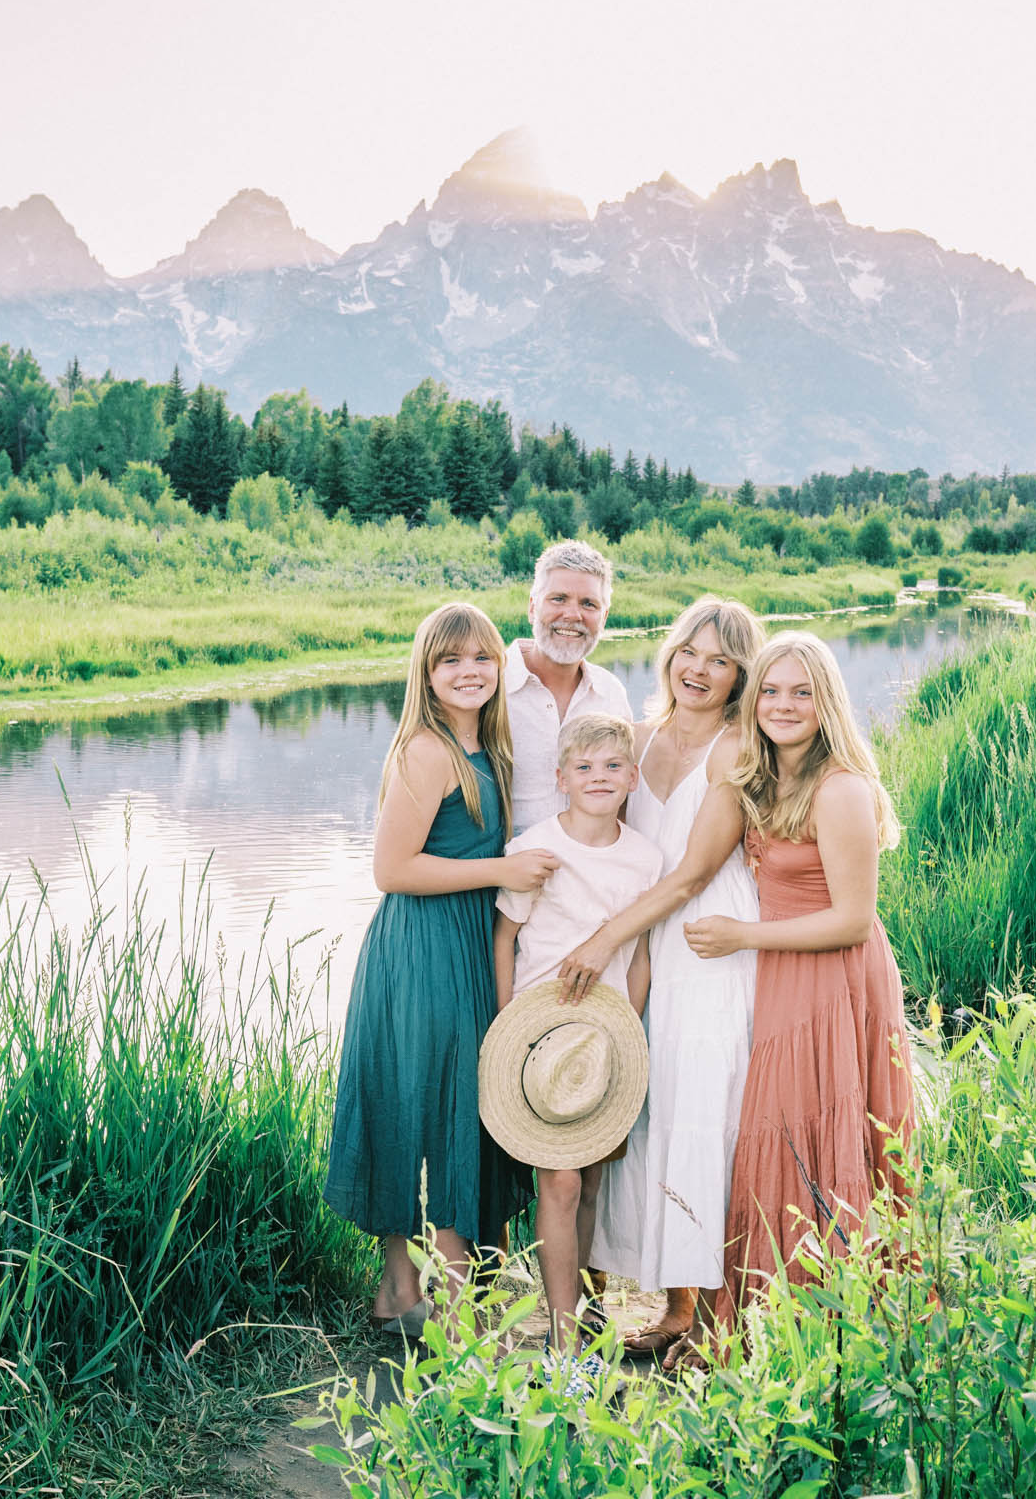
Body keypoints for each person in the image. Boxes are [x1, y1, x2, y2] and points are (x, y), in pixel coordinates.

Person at [323, 601, 560, 1335]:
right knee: (437, 1109)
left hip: (459, 941)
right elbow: (391, 869)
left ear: (501, 667)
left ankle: (399, 1294)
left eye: (482, 657)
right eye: (450, 660)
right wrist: (505, 867)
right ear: (426, 673)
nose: (469, 671)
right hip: (421, 948)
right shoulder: (427, 750)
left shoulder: (488, 749)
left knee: (427, 1103)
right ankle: (457, 1313)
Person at [685, 630, 913, 1327]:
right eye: (771, 691)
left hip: (834, 974)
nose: (783, 706)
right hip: (787, 969)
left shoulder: (841, 787)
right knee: (778, 1127)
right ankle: (775, 1315)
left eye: (802, 693)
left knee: (821, 1129)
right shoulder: (766, 775)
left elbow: (851, 919)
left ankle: (838, 1318)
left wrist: (741, 937)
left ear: (827, 702)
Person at [571, 595, 765, 1365]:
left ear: (738, 675)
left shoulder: (732, 748)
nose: (700, 669)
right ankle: (643, 1300)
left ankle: (702, 1313)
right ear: (670, 653)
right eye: (691, 650)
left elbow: (691, 874)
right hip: (633, 947)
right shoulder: (635, 737)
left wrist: (606, 935)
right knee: (633, 1106)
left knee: (698, 1106)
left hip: (701, 941)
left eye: (720, 660)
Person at [490, 712, 664, 1391]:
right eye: (584, 768)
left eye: (612, 768)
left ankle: (579, 1315)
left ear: (633, 777)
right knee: (558, 1181)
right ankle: (564, 1347)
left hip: (604, 1042)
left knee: (589, 1182)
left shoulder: (644, 858)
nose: (599, 779)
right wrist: (507, 1022)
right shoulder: (537, 848)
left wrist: (631, 1033)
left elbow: (642, 955)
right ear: (559, 778)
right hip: (540, 1040)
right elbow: (506, 937)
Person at [502, 539, 632, 831]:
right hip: (502, 873)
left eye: (589, 604)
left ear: (604, 617)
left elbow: (622, 802)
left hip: (592, 873)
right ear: (533, 607)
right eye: (558, 598)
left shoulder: (612, 695)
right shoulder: (490, 686)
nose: (573, 615)